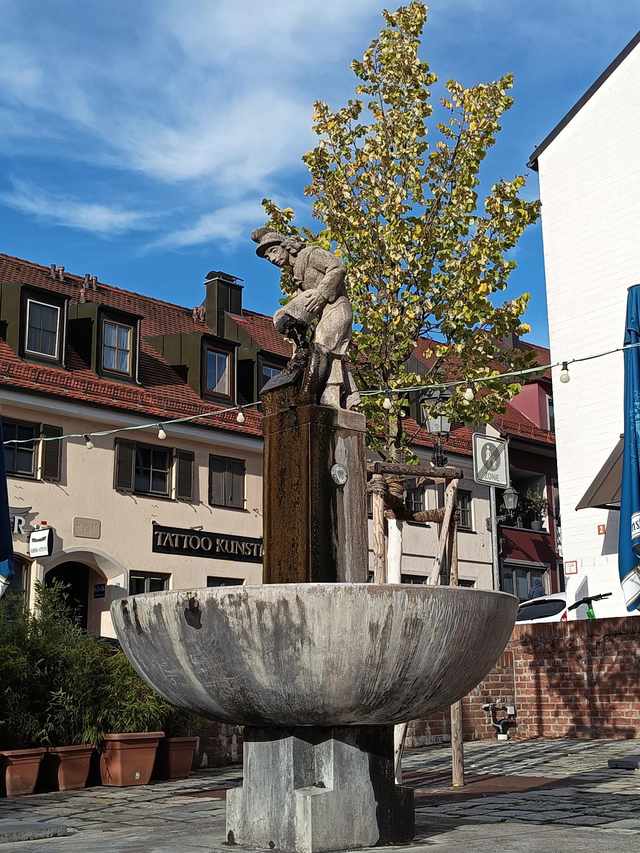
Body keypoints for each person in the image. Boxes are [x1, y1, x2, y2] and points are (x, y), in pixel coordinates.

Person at [251, 228, 360, 409]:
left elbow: (338, 267)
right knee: (328, 356)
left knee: (321, 349)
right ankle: (341, 397)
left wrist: (321, 294)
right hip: (326, 314)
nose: (272, 259)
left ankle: (309, 395)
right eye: (267, 257)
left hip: (338, 309)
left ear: (285, 246)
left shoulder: (311, 254)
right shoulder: (296, 273)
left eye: (273, 251)